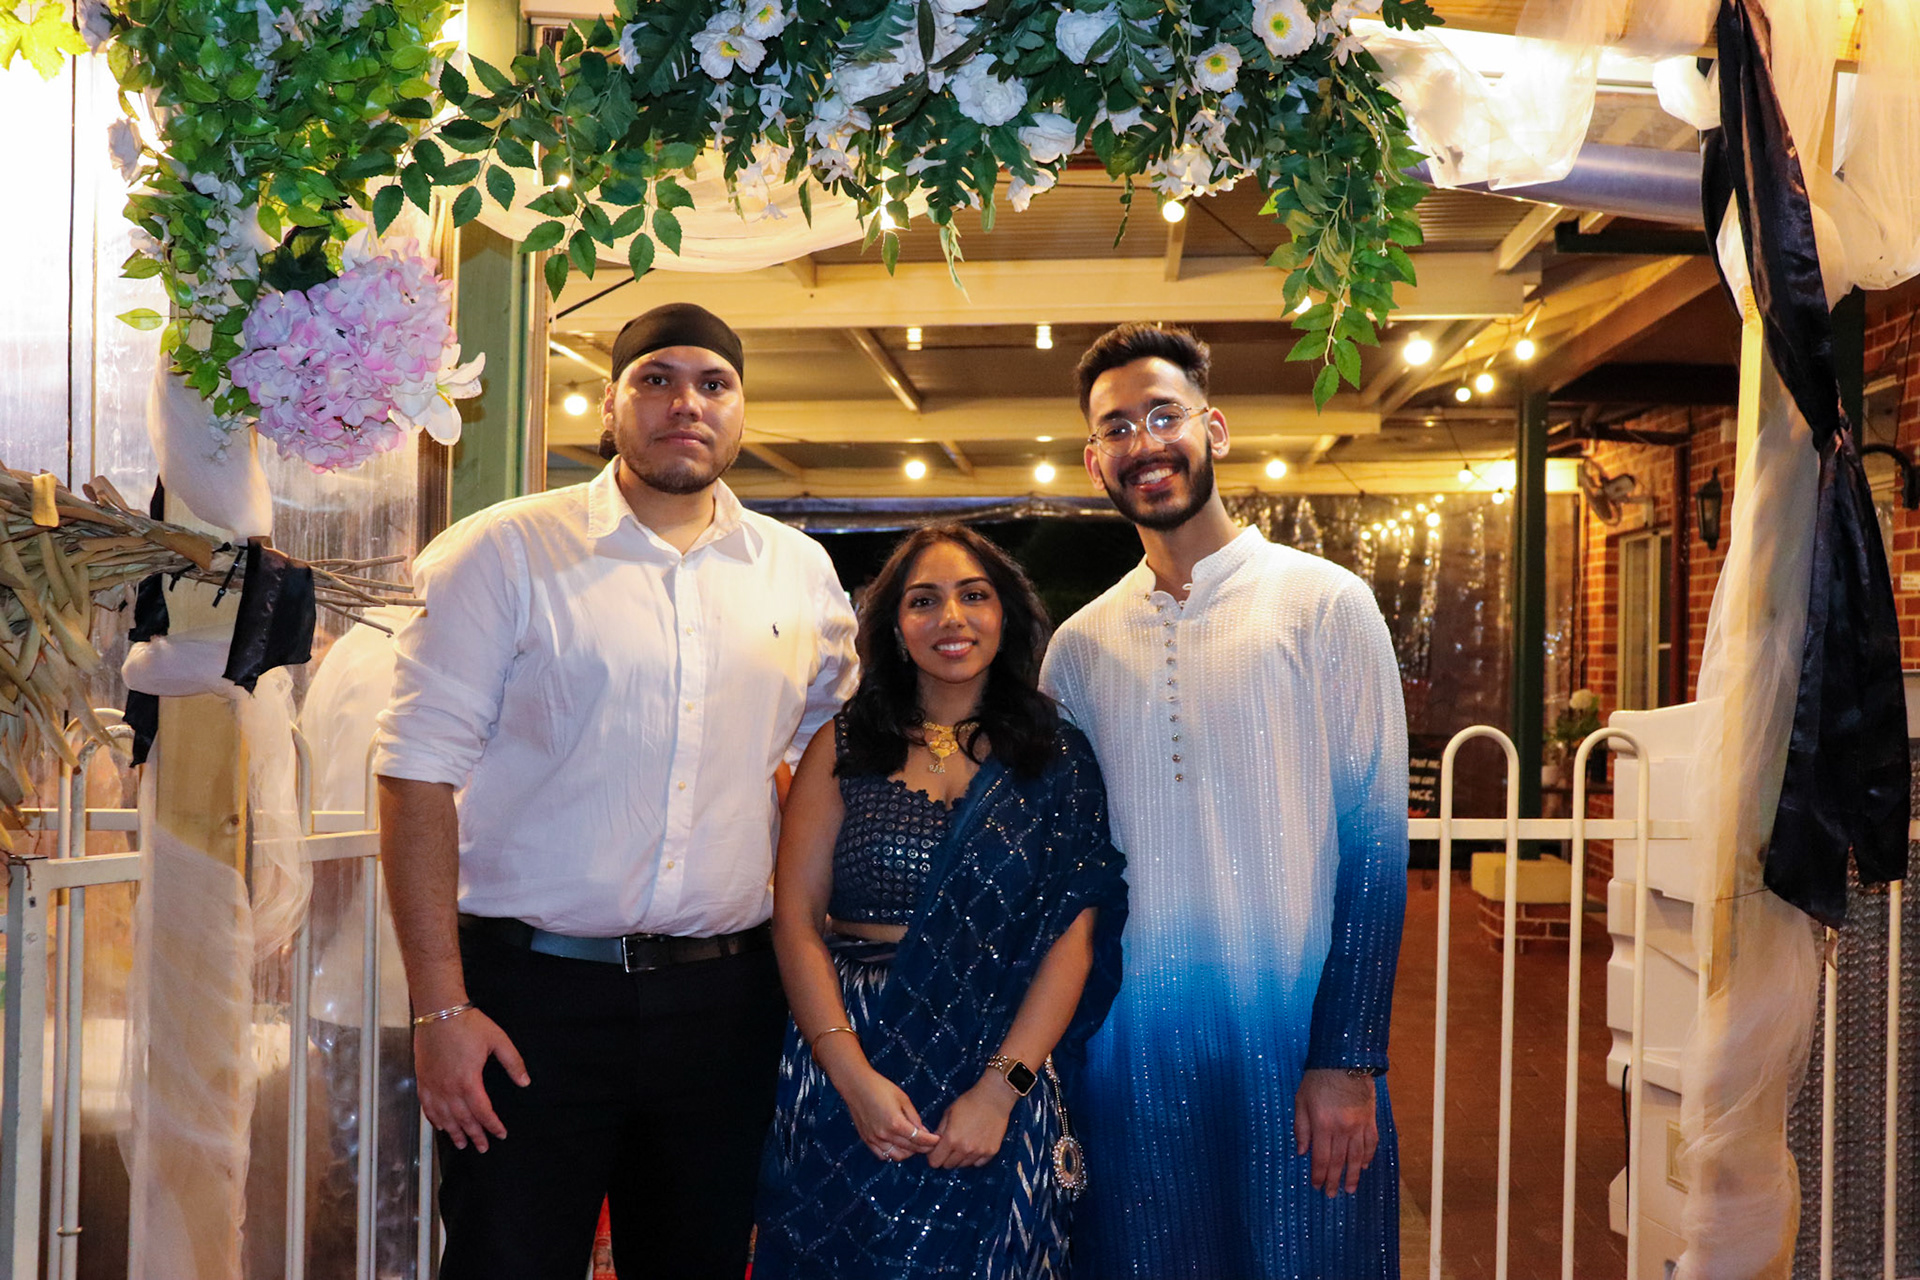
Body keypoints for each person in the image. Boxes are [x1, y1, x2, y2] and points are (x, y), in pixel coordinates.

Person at [371, 303, 858, 1280]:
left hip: (725, 1002)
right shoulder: (502, 552)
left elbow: (832, 764)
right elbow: (416, 770)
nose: (687, 403)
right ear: (609, 404)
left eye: (714, 383)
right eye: (657, 379)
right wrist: (440, 1010)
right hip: (530, 999)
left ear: (742, 411)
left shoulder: (798, 572)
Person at [1041, 324, 1409, 1278]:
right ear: (1094, 461)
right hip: (1129, 1066)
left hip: (1297, 1056)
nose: (1144, 442)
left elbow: (1374, 853)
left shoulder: (1324, 605)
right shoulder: (1077, 651)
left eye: (1163, 415)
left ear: (1214, 429)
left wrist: (1348, 1056)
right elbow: (1063, 874)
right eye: (1117, 428)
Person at [755, 523, 1128, 1279]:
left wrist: (998, 1092)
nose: (951, 618)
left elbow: (1073, 941)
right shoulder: (845, 746)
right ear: (895, 626)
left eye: (974, 596)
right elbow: (795, 922)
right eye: (923, 601)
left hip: (1001, 1059)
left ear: (1005, 615)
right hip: (854, 1051)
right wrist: (849, 1075)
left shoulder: (1055, 757)